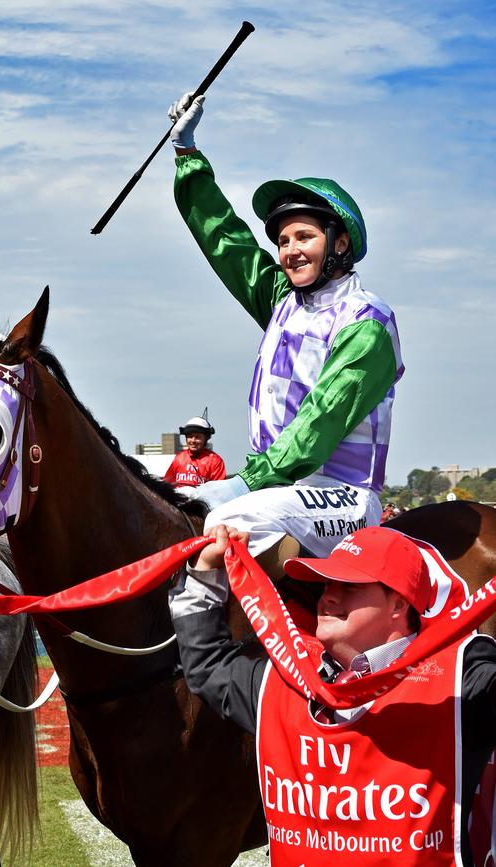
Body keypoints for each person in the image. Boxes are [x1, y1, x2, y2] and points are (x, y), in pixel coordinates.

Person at [167, 94, 404, 579]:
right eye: (283, 240)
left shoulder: (368, 321)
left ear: (340, 243)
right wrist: (189, 159)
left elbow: (320, 420)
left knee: (225, 519)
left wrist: (243, 483)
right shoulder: (282, 299)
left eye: (305, 237)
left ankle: (231, 651)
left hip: (345, 496)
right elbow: (226, 241)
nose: (289, 251)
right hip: (278, 488)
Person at [169, 523, 496, 865]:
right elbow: (208, 665)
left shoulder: (462, 679)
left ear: (398, 604)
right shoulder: (287, 679)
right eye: (327, 583)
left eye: (349, 586)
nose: (328, 596)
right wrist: (205, 573)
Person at [163, 413, 226, 488]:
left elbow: (219, 490)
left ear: (206, 438)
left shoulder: (215, 461)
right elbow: (166, 485)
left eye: (197, 437)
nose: (193, 440)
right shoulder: (179, 458)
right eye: (190, 436)